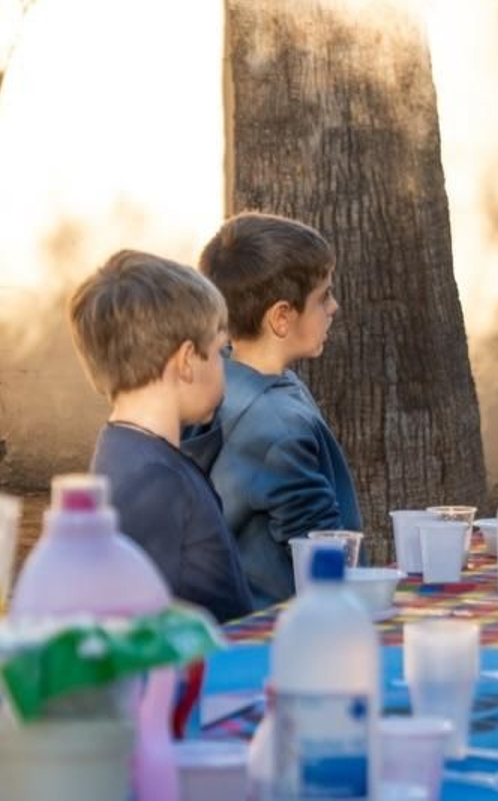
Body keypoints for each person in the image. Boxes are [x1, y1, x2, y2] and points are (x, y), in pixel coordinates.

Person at [67, 250, 254, 622]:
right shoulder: (153, 481)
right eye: (220, 352)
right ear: (186, 361)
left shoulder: (127, 452)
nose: (225, 367)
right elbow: (137, 630)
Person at [188, 212, 361, 607]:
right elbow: (324, 554)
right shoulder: (276, 427)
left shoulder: (224, 380)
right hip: (281, 628)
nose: (333, 307)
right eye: (323, 297)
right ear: (281, 317)